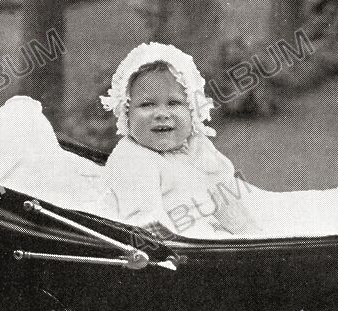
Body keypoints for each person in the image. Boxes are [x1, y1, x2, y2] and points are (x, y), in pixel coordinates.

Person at [99, 43, 260, 237]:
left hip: (201, 238)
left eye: (174, 103)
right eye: (147, 104)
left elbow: (223, 196)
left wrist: (250, 236)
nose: (161, 114)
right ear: (126, 113)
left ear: (192, 109)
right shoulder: (133, 159)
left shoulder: (196, 147)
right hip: (167, 249)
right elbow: (146, 224)